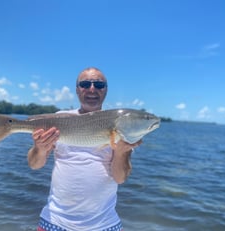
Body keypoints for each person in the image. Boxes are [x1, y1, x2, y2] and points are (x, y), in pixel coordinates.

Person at [27, 67, 142, 231]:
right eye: (85, 84)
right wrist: (40, 148)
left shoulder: (120, 125)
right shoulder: (60, 118)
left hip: (105, 224)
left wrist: (122, 152)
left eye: (99, 84)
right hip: (55, 221)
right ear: (77, 89)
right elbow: (34, 165)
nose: (92, 89)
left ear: (106, 90)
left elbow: (119, 178)